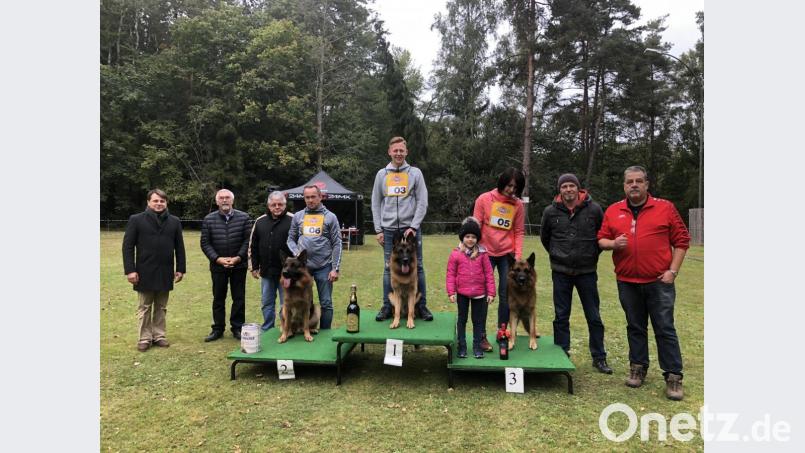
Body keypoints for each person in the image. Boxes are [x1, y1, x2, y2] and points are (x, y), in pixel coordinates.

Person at [597, 165, 690, 401]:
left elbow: (682, 241)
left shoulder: (665, 208)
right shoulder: (613, 210)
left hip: (659, 282)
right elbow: (601, 240)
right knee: (635, 327)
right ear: (624, 186)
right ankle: (637, 368)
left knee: (664, 328)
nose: (634, 185)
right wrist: (612, 244)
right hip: (627, 281)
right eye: (630, 181)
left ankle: (673, 376)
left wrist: (673, 271)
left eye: (639, 181)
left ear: (647, 184)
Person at [540, 173, 611, 374]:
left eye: (572, 186)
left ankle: (599, 357)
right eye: (564, 186)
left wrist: (590, 254)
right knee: (561, 315)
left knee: (593, 315)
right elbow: (545, 238)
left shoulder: (594, 209)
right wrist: (558, 254)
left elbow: (601, 235)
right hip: (560, 271)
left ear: (578, 188)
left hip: (586, 271)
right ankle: (562, 353)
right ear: (559, 190)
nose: (568, 189)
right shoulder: (550, 212)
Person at [372, 136, 432, 322]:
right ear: (389, 152)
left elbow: (422, 201)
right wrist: (378, 229)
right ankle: (386, 306)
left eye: (401, 150)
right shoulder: (381, 174)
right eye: (395, 150)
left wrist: (414, 225)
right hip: (388, 228)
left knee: (418, 265)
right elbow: (376, 202)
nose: (398, 153)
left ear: (406, 152)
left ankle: (421, 306)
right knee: (388, 266)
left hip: (410, 228)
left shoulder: (415, 173)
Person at [122, 189, 186, 352]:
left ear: (166, 203)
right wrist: (130, 270)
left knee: (161, 306)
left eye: (162, 201)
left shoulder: (174, 221)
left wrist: (180, 268)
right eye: (155, 201)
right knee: (144, 307)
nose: (159, 204)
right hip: (144, 271)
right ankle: (144, 338)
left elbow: (179, 247)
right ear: (148, 202)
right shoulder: (136, 220)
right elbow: (127, 247)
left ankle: (159, 336)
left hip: (165, 270)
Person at [472, 168, 526, 352]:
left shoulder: (518, 205)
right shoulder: (484, 199)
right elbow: (475, 225)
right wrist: (472, 249)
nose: (512, 190)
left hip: (507, 256)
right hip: (484, 253)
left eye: (516, 188)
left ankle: (502, 332)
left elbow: (519, 231)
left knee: (506, 295)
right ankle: (481, 336)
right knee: (483, 294)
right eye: (509, 185)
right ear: (502, 182)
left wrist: (517, 255)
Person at [286, 185, 343, 329]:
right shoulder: (298, 216)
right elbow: (290, 239)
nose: (310, 200)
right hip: (303, 268)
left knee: (326, 302)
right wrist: (296, 252)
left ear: (320, 197)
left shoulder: (330, 217)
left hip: (324, 266)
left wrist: (335, 268)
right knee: (302, 301)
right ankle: (303, 329)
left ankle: (325, 333)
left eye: (313, 197)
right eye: (307, 197)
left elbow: (337, 243)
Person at [200, 189, 252, 342]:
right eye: (221, 198)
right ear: (217, 201)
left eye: (227, 197)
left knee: (239, 297)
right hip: (218, 266)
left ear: (232, 200)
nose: (224, 200)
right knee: (218, 298)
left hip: (239, 265)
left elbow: (248, 241)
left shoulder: (244, 217)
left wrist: (238, 257)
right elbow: (205, 243)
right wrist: (217, 259)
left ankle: (237, 328)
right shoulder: (208, 219)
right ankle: (218, 329)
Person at [446, 217, 496, 359]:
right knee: (462, 320)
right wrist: (451, 292)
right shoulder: (456, 254)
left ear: (477, 239)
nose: (470, 239)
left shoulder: (483, 254)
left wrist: (491, 292)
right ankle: (462, 346)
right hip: (462, 293)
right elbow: (450, 274)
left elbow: (489, 274)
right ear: (462, 237)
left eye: (473, 237)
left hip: (479, 294)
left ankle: (477, 347)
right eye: (467, 236)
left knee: (478, 321)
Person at [249, 191, 292, 331]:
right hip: (266, 270)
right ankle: (267, 327)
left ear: (285, 205)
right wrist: (253, 266)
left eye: (280, 204)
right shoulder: (260, 221)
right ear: (268, 206)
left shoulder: (294, 220)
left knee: (286, 303)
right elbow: (253, 245)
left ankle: (285, 328)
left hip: (287, 273)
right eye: (274, 204)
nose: (277, 207)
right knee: (267, 302)